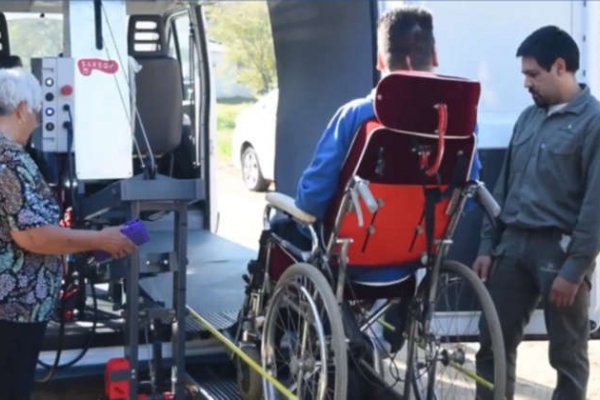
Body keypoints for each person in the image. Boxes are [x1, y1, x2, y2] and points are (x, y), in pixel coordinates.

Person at [289, 6, 480, 353]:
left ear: (380, 59)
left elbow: (311, 199)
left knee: (281, 227)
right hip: (417, 258)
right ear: (434, 55)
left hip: (349, 258)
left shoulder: (357, 114)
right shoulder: (460, 123)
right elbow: (466, 191)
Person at [474, 26, 600, 400]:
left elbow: (596, 205)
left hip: (558, 255)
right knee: (492, 344)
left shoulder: (594, 123)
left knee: (567, 356)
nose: (527, 83)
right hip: (511, 248)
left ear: (560, 67)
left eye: (533, 74)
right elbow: (503, 188)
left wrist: (575, 270)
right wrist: (486, 245)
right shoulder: (528, 118)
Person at [0, 68, 137, 400]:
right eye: (34, 112)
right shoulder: (9, 161)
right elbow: (32, 236)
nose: (35, 122)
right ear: (20, 109)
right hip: (13, 310)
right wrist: (99, 239)